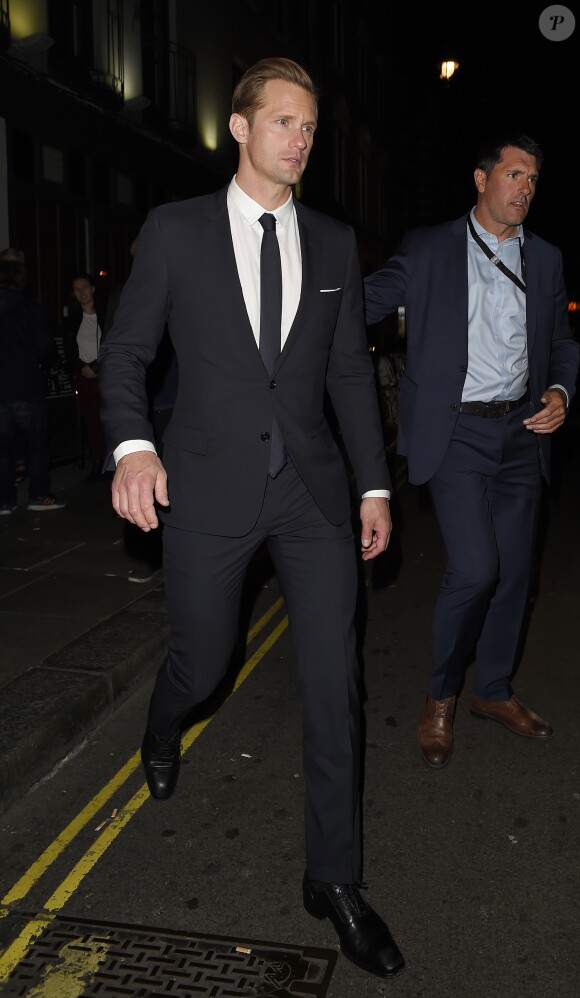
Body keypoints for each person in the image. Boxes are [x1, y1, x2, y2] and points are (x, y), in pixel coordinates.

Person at [99, 57, 405, 980]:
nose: (301, 140)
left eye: (309, 127)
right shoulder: (177, 231)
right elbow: (124, 355)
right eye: (284, 123)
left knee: (332, 684)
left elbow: (348, 373)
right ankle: (163, 726)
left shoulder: (336, 245)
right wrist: (131, 448)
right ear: (239, 128)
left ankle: (336, 880)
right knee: (203, 660)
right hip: (206, 486)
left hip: (310, 495)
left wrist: (374, 486)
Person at [364, 133, 580, 769]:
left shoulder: (545, 258)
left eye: (534, 179)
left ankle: (491, 690)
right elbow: (364, 301)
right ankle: (441, 696)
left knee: (516, 573)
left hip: (523, 432)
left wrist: (562, 391)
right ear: (481, 179)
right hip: (456, 432)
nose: (526, 189)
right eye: (515, 175)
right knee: (476, 569)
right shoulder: (431, 248)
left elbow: (564, 341)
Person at [104, 237, 178, 582]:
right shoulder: (128, 293)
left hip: (171, 395)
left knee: (171, 481)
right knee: (148, 480)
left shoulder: (177, 281)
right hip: (147, 400)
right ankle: (151, 557)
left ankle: (168, 556)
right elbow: (117, 349)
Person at [0, 259, 65, 512]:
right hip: (26, 387)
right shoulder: (29, 308)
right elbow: (45, 347)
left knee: (2, 448)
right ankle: (38, 495)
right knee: (36, 444)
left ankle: (4, 500)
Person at [61, 272, 108, 481]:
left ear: (93, 289)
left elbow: (113, 343)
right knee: (92, 422)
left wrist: (98, 366)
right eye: (77, 289)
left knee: (111, 419)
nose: (82, 292)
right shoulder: (71, 320)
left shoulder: (107, 314)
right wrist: (82, 368)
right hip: (85, 377)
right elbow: (70, 350)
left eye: (85, 287)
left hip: (108, 375)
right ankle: (98, 463)